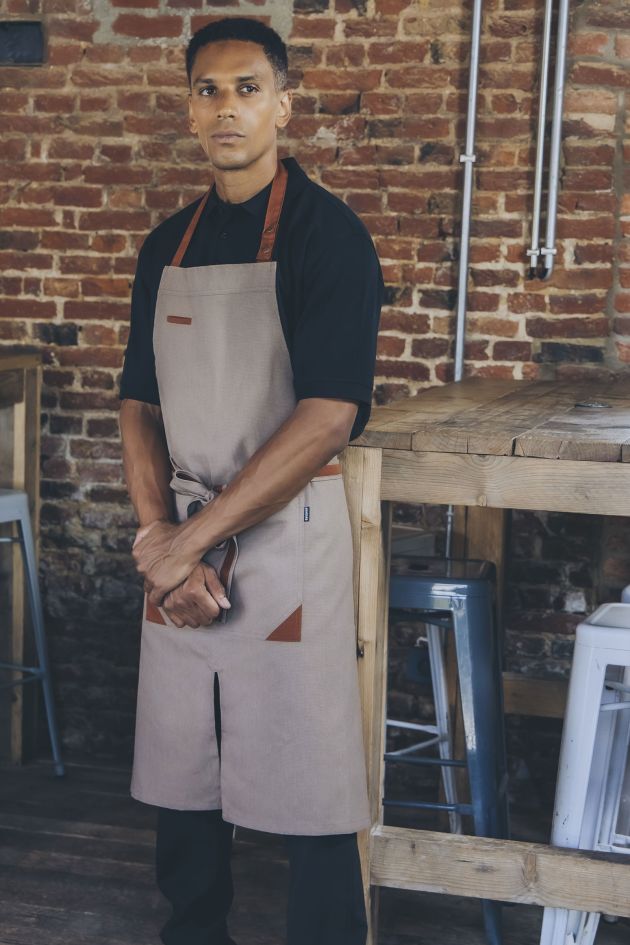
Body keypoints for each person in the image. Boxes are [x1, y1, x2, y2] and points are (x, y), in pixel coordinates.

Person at [118, 16, 384, 945]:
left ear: (283, 103)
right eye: (207, 91)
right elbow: (140, 408)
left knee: (309, 780)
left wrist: (183, 545)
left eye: (244, 88)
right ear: (189, 112)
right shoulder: (166, 249)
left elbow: (326, 417)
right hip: (179, 540)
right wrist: (165, 543)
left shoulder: (331, 238)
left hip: (286, 544)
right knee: (182, 768)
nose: (226, 107)